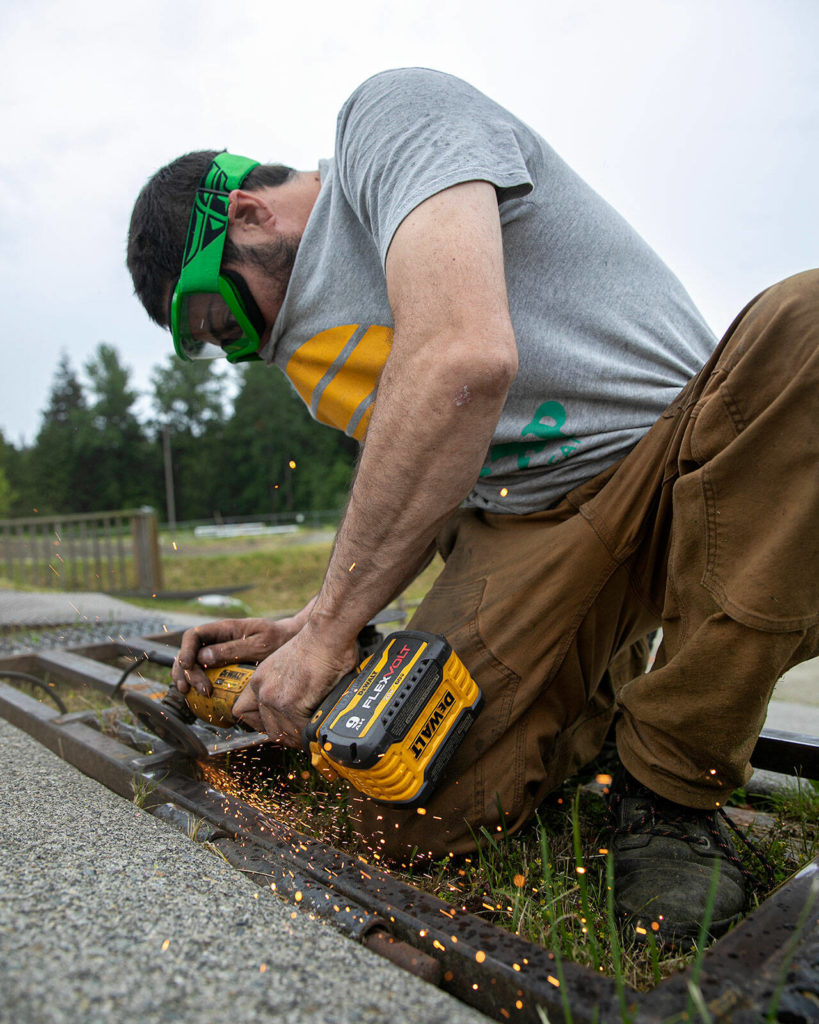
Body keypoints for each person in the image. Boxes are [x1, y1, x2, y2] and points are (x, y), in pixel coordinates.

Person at [126, 68, 818, 944]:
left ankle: (671, 789)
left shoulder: (390, 121)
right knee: (412, 808)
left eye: (221, 319)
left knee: (809, 324)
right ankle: (594, 712)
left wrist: (336, 627)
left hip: (682, 457)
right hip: (527, 521)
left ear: (248, 214)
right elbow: (418, 481)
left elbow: (463, 359)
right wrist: (310, 626)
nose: (238, 350)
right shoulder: (302, 353)